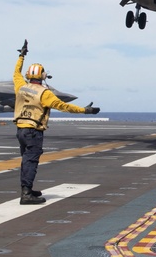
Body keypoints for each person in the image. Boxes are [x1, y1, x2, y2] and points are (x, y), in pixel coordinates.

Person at [13, 40, 100, 204]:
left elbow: (16, 73)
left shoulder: (20, 87)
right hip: (33, 131)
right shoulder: (44, 93)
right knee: (31, 161)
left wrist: (21, 55)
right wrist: (84, 110)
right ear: (42, 76)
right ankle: (26, 194)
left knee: (26, 159)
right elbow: (63, 106)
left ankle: (28, 189)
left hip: (20, 130)